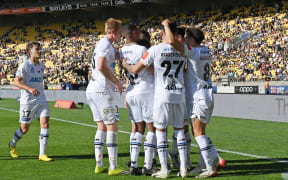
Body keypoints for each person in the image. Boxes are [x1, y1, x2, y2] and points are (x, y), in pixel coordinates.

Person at [122, 20, 188, 178]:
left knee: (161, 131)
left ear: (161, 33)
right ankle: (184, 168)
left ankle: (164, 169)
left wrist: (125, 65)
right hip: (179, 93)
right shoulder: (182, 49)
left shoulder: (154, 49)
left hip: (162, 95)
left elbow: (136, 69)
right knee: (179, 130)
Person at [167, 27, 226, 178]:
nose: (185, 40)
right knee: (199, 132)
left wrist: (167, 26)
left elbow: (173, 43)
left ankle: (210, 167)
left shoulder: (193, 51)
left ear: (192, 40)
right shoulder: (205, 49)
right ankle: (203, 164)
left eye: (187, 38)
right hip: (207, 95)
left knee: (198, 134)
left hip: (199, 97)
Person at [86, 18, 126, 176]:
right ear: (113, 31)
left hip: (93, 88)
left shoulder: (103, 44)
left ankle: (99, 165)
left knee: (101, 126)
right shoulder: (104, 44)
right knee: (112, 125)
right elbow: (102, 65)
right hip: (102, 89)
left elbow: (110, 58)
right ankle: (113, 166)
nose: (121, 35)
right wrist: (117, 81)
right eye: (120, 32)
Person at [120, 24, 156, 176]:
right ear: (134, 33)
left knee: (137, 128)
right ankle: (148, 165)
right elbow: (153, 70)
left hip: (132, 91)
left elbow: (124, 68)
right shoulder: (142, 50)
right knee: (151, 128)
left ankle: (133, 164)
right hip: (145, 90)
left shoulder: (121, 50)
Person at [8, 41, 52, 162]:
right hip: (27, 101)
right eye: (37, 49)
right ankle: (12, 144)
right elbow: (16, 82)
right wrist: (29, 88)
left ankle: (42, 154)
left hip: (41, 99)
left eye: (40, 49)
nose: (39, 51)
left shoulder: (41, 66)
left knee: (45, 123)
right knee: (24, 129)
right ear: (30, 51)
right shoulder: (25, 65)